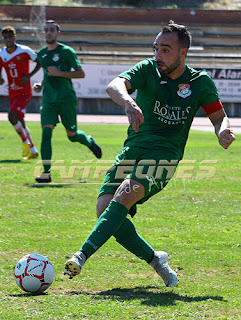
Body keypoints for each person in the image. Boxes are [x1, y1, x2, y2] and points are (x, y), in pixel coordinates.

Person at [64, 21, 235, 287]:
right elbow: (114, 86)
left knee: (124, 194)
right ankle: (156, 260)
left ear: (183, 52)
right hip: (133, 149)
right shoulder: (147, 69)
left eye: (166, 49)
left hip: (164, 155)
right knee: (104, 210)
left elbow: (218, 117)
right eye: (156, 48)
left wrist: (222, 132)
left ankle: (81, 255)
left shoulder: (200, 82)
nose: (158, 55)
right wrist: (129, 102)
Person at [33, 20, 102, 183]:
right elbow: (47, 73)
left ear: (58, 33)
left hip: (66, 99)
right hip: (49, 100)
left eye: (52, 30)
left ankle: (88, 141)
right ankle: (46, 173)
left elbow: (81, 74)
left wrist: (60, 73)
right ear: (44, 33)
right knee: (46, 133)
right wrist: (40, 85)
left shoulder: (66, 52)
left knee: (72, 135)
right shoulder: (42, 53)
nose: (49, 33)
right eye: (46, 30)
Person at [0, 26, 41, 159]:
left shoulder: (24, 50)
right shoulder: (2, 54)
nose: (8, 40)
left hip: (24, 91)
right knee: (20, 121)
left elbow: (39, 61)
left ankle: (25, 142)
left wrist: (29, 76)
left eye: (10, 37)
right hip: (12, 91)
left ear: (15, 37)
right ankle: (33, 150)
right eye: (5, 38)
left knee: (12, 116)